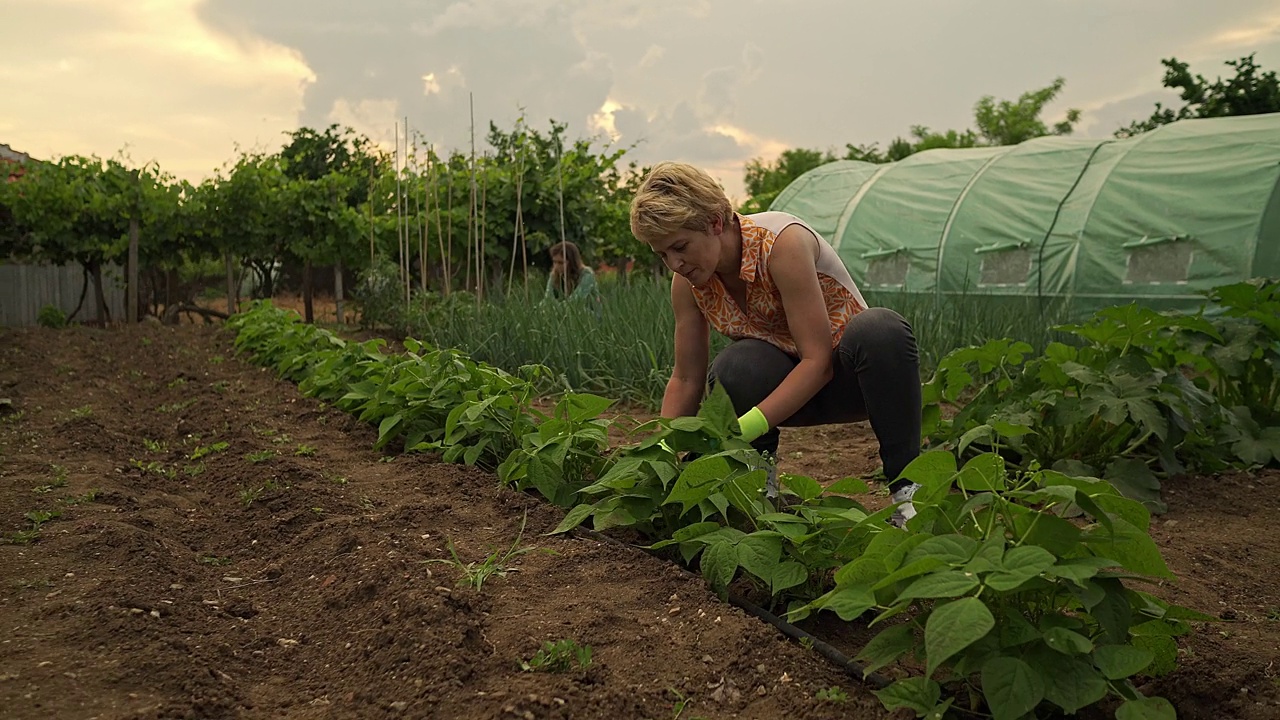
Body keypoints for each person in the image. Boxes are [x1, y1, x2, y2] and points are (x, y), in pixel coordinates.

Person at [629, 162, 923, 527]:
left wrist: (738, 431)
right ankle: (760, 492)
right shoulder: (688, 283)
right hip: (784, 397)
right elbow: (686, 379)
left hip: (856, 385)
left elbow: (819, 361)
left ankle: (908, 496)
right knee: (736, 366)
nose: (675, 263)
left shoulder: (781, 243)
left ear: (715, 223)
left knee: (881, 330)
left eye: (680, 246)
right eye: (662, 255)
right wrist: (660, 451)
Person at [544, 241, 601, 307]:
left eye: (561, 263)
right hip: (561, 313)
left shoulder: (587, 275)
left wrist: (556, 308)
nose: (556, 266)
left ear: (572, 262)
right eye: (554, 262)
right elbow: (548, 299)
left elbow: (576, 301)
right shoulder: (554, 275)